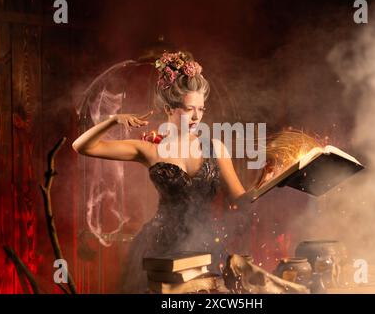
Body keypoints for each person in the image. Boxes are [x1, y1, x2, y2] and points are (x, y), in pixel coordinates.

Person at [72, 51, 253, 293]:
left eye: (201, 109)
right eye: (189, 109)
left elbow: (242, 200)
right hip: (160, 245)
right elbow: (82, 146)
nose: (197, 117)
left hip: (206, 243)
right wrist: (114, 119)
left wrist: (273, 179)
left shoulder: (215, 148)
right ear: (169, 108)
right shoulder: (151, 150)